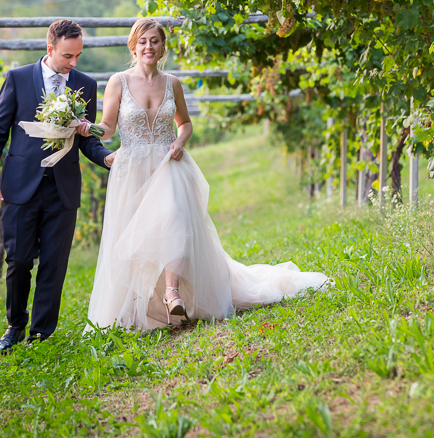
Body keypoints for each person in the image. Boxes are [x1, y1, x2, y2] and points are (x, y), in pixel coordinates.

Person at [86, 19, 328, 331]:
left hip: (167, 163)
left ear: (162, 48)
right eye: (143, 41)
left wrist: (179, 141)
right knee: (138, 236)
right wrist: (86, 128)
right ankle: (139, 305)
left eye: (155, 41)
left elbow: (185, 123)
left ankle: (172, 294)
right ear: (133, 46)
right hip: (132, 170)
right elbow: (106, 127)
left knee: (173, 218)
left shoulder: (172, 83)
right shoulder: (118, 82)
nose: (149, 47)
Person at [0, 19, 115, 354]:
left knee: (54, 263)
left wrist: (107, 157)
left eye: (79, 55)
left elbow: (86, 142)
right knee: (19, 260)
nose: (74, 63)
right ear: (50, 48)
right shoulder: (18, 79)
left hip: (63, 188)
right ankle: (15, 324)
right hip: (20, 186)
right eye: (68, 56)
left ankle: (41, 334)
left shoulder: (85, 84)